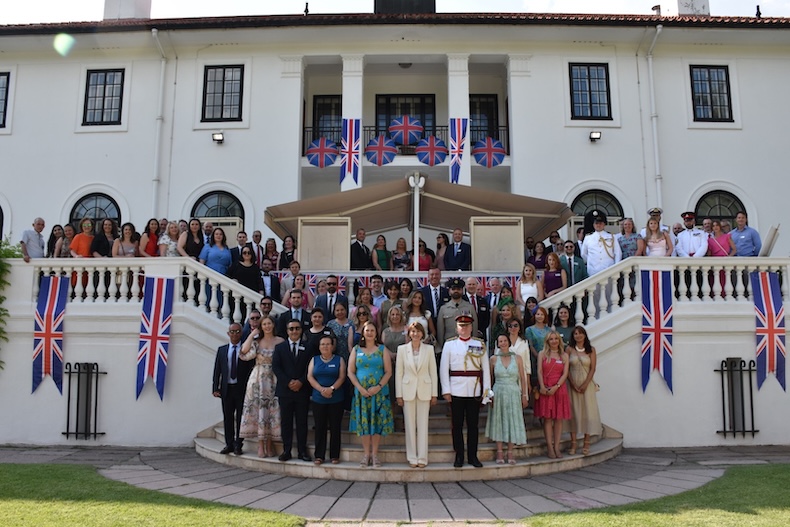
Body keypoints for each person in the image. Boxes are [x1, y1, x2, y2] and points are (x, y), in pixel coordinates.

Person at [440, 312, 491, 468]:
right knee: (457, 425)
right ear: (456, 328)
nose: (464, 328)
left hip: (474, 389)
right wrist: (446, 390)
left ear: (471, 327)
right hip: (456, 390)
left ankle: (473, 456)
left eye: (467, 325)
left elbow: (486, 370)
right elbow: (443, 369)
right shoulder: (449, 345)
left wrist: (486, 392)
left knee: (473, 425)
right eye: (461, 326)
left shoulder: (479, 344)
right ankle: (459, 456)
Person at [348, 321, 394, 468]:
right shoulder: (356, 350)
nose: (369, 333)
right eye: (367, 330)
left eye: (372, 330)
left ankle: (375, 455)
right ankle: (366, 454)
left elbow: (388, 372)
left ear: (376, 333)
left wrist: (379, 386)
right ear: (363, 333)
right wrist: (360, 388)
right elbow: (350, 372)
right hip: (362, 393)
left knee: (377, 423)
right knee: (364, 424)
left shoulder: (382, 349)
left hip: (379, 393)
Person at [239, 314, 283, 458]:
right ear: (261, 327)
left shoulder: (280, 341)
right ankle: (260, 446)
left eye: (269, 323)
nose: (267, 326)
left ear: (273, 325)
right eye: (264, 324)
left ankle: (270, 445)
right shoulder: (257, 342)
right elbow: (244, 352)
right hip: (258, 379)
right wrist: (252, 334)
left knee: (271, 411)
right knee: (259, 411)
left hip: (274, 379)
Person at [395, 321, 438, 468]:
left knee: (423, 425)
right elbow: (399, 373)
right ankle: (412, 457)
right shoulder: (402, 350)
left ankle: (422, 457)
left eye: (418, 331)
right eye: (413, 331)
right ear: (409, 334)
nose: (416, 334)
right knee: (410, 425)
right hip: (407, 390)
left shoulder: (429, 349)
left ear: (422, 333)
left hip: (424, 390)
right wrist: (398, 395)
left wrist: (434, 394)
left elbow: (433, 372)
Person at [272, 319, 313, 462]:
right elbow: (276, 367)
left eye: (297, 328)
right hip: (285, 391)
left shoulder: (308, 347)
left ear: (301, 330)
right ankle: (287, 450)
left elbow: (310, 367)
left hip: (302, 390)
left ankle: (302, 451)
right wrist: (288, 382)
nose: (294, 331)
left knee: (302, 422)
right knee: (286, 422)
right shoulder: (280, 348)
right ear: (287, 331)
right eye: (291, 329)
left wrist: (301, 381)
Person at [212, 322, 254, 455]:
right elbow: (217, 370)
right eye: (232, 331)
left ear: (241, 333)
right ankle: (229, 444)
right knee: (228, 417)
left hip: (241, 389)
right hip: (226, 389)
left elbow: (249, 370)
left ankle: (238, 445)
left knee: (241, 419)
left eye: (237, 331)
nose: (235, 334)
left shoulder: (245, 349)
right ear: (228, 333)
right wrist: (215, 387)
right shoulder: (222, 350)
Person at [486, 334, 529, 465]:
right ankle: (499, 451)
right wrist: (490, 396)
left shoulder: (518, 358)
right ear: (497, 344)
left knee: (512, 420)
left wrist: (525, 395)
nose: (503, 343)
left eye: (505, 340)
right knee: (499, 419)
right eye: (500, 341)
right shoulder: (493, 359)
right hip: (498, 391)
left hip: (513, 392)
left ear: (509, 342)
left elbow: (522, 378)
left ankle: (510, 451)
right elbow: (490, 379)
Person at [307, 334, 346, 465]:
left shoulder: (339, 360)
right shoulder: (314, 360)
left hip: (336, 399)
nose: (325, 346)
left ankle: (335, 455)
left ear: (332, 346)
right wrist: (321, 389)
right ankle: (319, 455)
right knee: (320, 427)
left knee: (335, 428)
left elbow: (342, 377)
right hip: (319, 399)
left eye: (328, 344)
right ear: (319, 347)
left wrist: (332, 389)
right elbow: (310, 377)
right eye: (323, 344)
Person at [535, 330, 571, 459]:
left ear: (559, 340)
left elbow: (565, 374)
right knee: (548, 419)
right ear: (547, 341)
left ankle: (557, 446)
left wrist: (556, 387)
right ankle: (550, 447)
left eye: (556, 339)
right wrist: (543, 386)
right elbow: (539, 371)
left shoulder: (564, 355)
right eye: (551, 339)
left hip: (559, 389)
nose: (554, 341)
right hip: (546, 387)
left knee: (558, 418)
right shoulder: (542, 354)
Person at [567, 326, 602, 456]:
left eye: (580, 333)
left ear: (584, 335)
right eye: (575, 334)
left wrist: (586, 384)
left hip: (587, 384)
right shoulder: (569, 349)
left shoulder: (591, 350)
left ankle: (586, 443)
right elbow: (566, 368)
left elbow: (593, 368)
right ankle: (574, 443)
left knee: (588, 411)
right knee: (574, 412)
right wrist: (573, 383)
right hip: (572, 383)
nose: (578, 336)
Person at [437, 278, 477, 349]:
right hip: (449, 345)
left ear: (462, 291)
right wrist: (441, 347)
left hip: (466, 345)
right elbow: (440, 330)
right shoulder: (443, 308)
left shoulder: (469, 307)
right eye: (453, 289)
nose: (456, 291)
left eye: (458, 289)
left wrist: (474, 345)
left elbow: (474, 328)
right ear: (449, 291)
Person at [524, 306, 551, 392]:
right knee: (536, 386)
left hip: (548, 359)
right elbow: (530, 346)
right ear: (534, 316)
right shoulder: (529, 330)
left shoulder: (549, 330)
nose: (540, 316)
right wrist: (539, 357)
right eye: (538, 314)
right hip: (534, 359)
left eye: (542, 314)